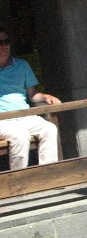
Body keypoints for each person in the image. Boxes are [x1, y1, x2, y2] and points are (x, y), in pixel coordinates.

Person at [0, 27, 60, 170]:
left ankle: (48, 175)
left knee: (49, 129)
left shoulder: (22, 65)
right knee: (20, 136)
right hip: (2, 120)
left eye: (6, 42)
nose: (4, 45)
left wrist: (46, 96)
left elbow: (32, 95)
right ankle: (20, 182)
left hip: (24, 116)